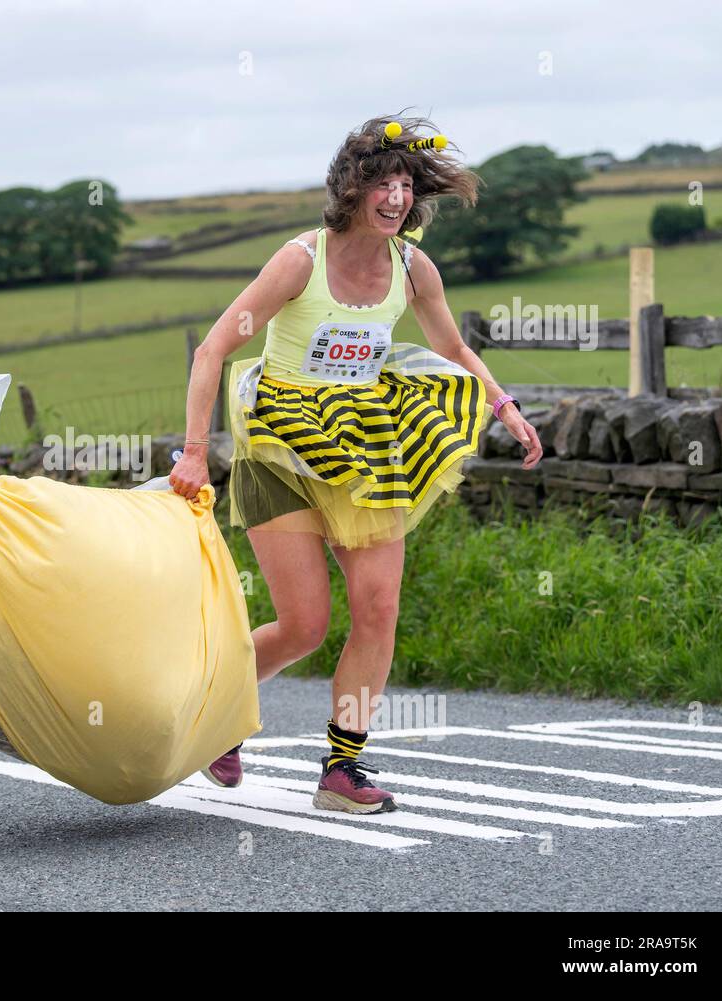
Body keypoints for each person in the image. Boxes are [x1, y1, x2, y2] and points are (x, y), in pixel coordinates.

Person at [170, 115, 543, 814]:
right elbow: (211, 350)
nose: (396, 196)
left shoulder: (413, 268)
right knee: (305, 624)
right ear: (351, 189)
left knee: (379, 606)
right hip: (278, 444)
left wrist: (504, 406)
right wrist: (196, 451)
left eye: (405, 183)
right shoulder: (299, 263)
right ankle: (217, 710)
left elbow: (455, 349)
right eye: (382, 182)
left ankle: (343, 769)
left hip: (363, 444)